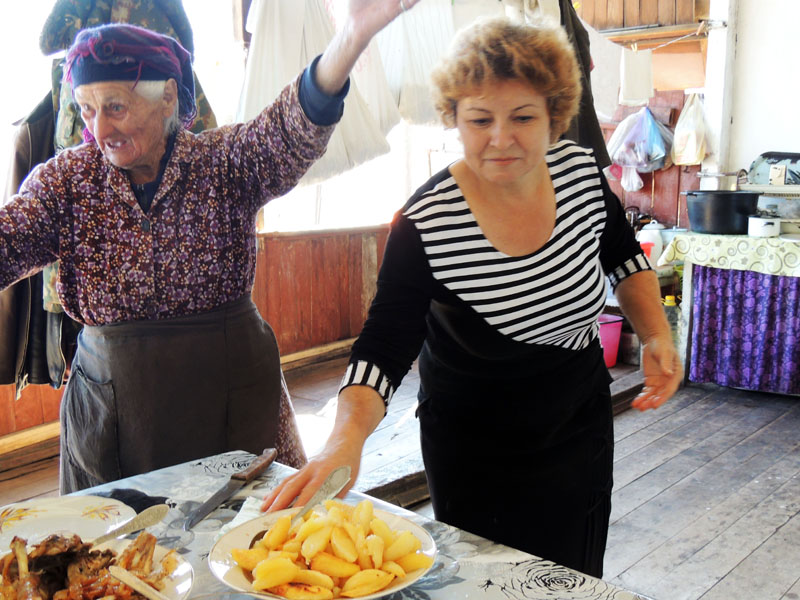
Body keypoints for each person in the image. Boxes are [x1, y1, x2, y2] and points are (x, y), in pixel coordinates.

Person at [263, 17, 683, 577]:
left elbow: (625, 258)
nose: (500, 138)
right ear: (454, 119)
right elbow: (382, 350)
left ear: (555, 115)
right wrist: (343, 441)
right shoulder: (426, 222)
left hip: (575, 427)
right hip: (474, 445)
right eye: (480, 119)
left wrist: (656, 332)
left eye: (523, 117)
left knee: (572, 577)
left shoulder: (582, 175)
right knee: (484, 581)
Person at [0, 0, 421, 494]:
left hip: (231, 394)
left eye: (115, 106)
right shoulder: (66, 182)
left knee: (249, 547)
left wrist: (350, 36)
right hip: (114, 409)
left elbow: (288, 129)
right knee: (119, 555)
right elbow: (10, 240)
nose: (99, 130)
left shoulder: (222, 163)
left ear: (169, 97)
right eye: (86, 109)